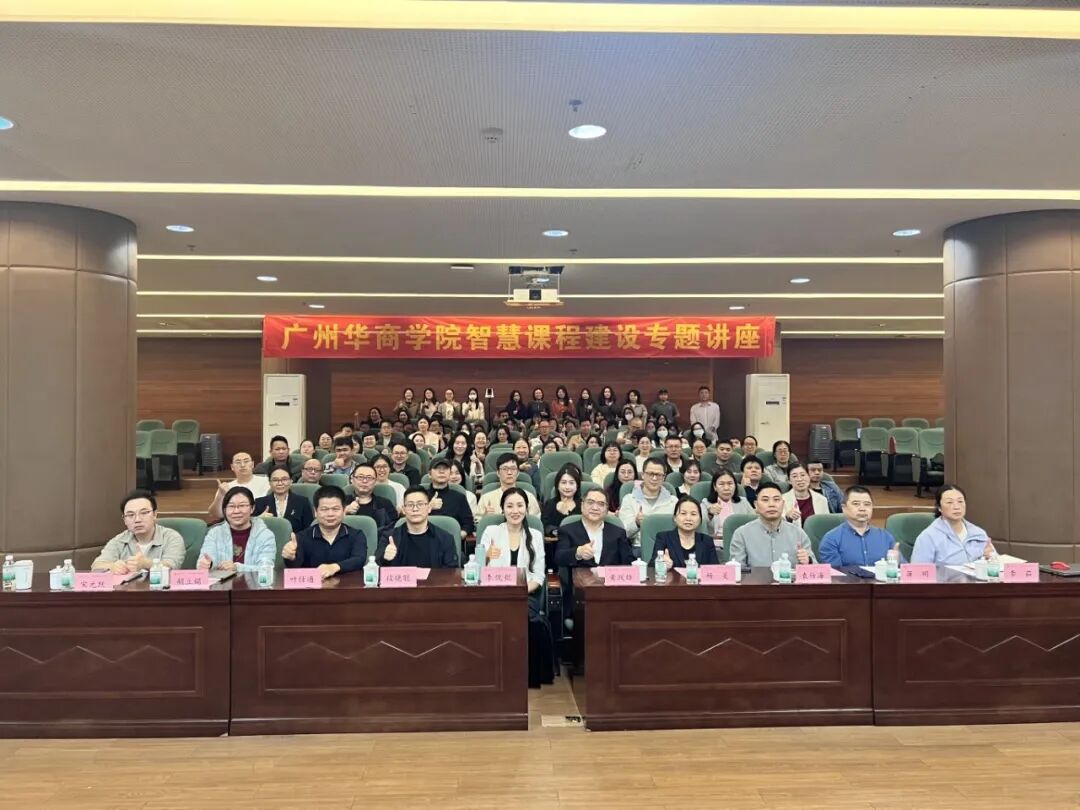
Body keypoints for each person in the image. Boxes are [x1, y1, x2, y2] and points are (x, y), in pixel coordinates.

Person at [479, 487, 554, 688]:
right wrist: (486, 556)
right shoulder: (491, 532)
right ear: (502, 509)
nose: (515, 511)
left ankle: (526, 677)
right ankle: (492, 675)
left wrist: (519, 591)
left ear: (526, 508)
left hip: (525, 595)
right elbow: (477, 569)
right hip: (494, 595)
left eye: (520, 505)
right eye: (509, 506)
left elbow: (538, 576)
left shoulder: (535, 535)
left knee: (530, 621)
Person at [281, 485, 366, 579]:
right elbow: (296, 567)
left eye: (335, 509)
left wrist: (334, 567)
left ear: (344, 510)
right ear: (315, 512)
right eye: (324, 509)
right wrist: (290, 558)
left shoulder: (356, 535)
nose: (330, 514)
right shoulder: (302, 537)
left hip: (348, 586)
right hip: (312, 587)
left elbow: (359, 559)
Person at [91, 490, 185, 573]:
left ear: (155, 514)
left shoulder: (171, 537)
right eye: (130, 515)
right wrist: (112, 566)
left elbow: (172, 566)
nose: (137, 520)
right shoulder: (119, 540)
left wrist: (146, 564)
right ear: (124, 520)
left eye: (144, 513)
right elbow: (96, 565)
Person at [728, 482, 815, 568]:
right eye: (765, 500)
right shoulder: (742, 534)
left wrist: (809, 561)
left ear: (783, 504)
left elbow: (816, 568)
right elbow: (736, 570)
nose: (771, 504)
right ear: (756, 505)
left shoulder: (798, 534)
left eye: (776, 500)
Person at [197, 486, 277, 572]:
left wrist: (237, 568)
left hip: (253, 581)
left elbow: (266, 568)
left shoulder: (265, 535)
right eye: (231, 506)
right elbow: (206, 559)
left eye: (242, 505)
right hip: (221, 581)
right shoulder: (214, 533)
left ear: (252, 508)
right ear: (225, 510)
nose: (236, 511)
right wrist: (208, 564)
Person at [818, 486, 901, 567]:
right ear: (844, 508)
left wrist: (896, 565)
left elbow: (903, 569)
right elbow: (835, 574)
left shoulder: (886, 537)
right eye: (856, 504)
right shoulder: (831, 539)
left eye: (867, 504)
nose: (862, 508)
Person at [911, 484, 994, 565]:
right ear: (939, 507)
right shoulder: (928, 537)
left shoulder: (978, 533)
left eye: (960, 501)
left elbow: (995, 564)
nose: (956, 507)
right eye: (949, 502)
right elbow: (918, 571)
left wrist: (989, 559)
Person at [377, 488, 459, 568]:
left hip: (434, 578)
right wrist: (385, 559)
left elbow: (451, 572)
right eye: (410, 505)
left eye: (420, 504)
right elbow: (376, 567)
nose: (415, 509)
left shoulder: (445, 539)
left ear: (429, 508)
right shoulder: (389, 537)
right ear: (404, 509)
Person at [618, 457, 678, 545]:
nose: (654, 478)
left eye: (658, 475)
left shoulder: (673, 501)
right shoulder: (629, 499)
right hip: (638, 547)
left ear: (664, 477)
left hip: (667, 546)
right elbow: (622, 533)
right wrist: (636, 523)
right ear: (643, 475)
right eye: (650, 474)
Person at [651, 496, 720, 567]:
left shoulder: (707, 541)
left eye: (693, 514)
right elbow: (651, 565)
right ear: (675, 518)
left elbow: (715, 569)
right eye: (683, 513)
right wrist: (661, 564)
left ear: (700, 519)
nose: (688, 518)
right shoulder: (663, 538)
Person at [700, 470, 754, 552]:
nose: (726, 488)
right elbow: (699, 523)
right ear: (715, 487)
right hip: (715, 547)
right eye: (721, 484)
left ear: (735, 486)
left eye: (730, 484)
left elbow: (754, 522)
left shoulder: (743, 502)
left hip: (741, 545)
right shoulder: (706, 503)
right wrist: (709, 514)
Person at [208, 451, 270, 520]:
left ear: (252, 464)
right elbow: (217, 514)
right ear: (232, 467)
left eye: (246, 461)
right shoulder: (226, 487)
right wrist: (220, 495)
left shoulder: (267, 482)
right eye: (238, 462)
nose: (242, 465)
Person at [344, 462, 397, 542]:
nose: (365, 481)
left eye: (369, 478)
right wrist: (345, 511)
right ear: (352, 480)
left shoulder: (385, 504)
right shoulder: (341, 502)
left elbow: (394, 529)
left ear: (375, 481)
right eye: (360, 477)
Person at [425, 458, 476, 540]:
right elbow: (411, 520)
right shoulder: (420, 496)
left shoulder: (459, 497)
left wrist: (457, 537)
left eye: (445, 468)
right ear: (429, 474)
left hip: (451, 541)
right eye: (437, 468)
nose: (441, 471)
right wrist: (429, 507)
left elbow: (468, 524)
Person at [254, 468, 314, 534]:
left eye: (284, 479)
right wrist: (258, 519)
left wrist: (297, 539)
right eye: (275, 480)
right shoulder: (259, 502)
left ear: (291, 481)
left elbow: (309, 530)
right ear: (270, 483)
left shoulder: (302, 502)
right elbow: (250, 529)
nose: (280, 483)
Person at [781, 464, 829, 528]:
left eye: (803, 475)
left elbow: (826, 524)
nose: (800, 479)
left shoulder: (822, 499)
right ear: (789, 481)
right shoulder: (782, 500)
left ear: (809, 477)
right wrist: (787, 517)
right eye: (794, 476)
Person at [541, 464, 582, 537]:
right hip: (556, 541)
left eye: (571, 483)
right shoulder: (550, 504)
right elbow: (545, 527)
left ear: (577, 486)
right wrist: (557, 532)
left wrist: (566, 514)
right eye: (563, 482)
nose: (567, 487)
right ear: (557, 485)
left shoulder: (583, 505)